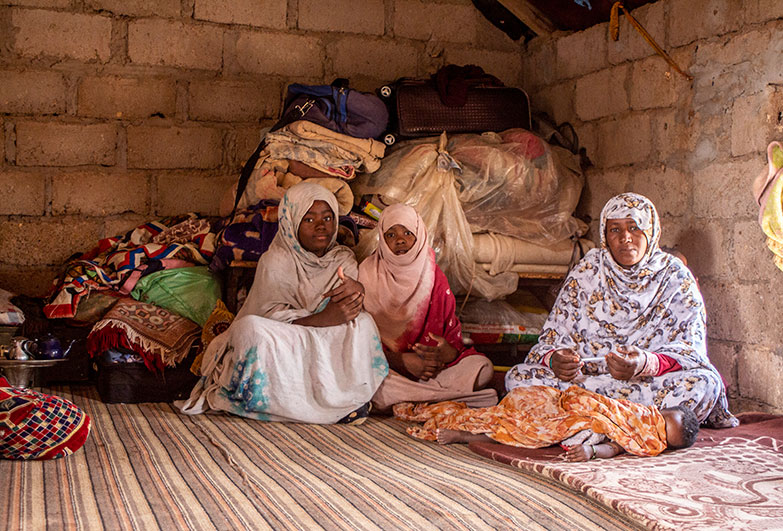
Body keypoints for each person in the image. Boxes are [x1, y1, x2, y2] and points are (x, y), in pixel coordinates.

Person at [505, 193, 738, 428]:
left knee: (704, 384)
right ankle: (637, 426)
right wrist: (554, 359)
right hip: (587, 382)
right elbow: (550, 341)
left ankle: (585, 422)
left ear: (651, 231)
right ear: (605, 236)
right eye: (615, 230)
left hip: (647, 384)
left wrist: (644, 363)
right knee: (519, 378)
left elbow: (691, 352)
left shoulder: (674, 276)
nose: (625, 238)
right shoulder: (588, 271)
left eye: (635, 228)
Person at [178, 182, 388, 424]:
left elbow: (345, 312)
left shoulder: (343, 258)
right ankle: (289, 403)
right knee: (250, 330)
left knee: (363, 324)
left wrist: (355, 295)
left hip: (324, 338)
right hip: (288, 341)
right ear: (291, 223)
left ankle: (342, 400)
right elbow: (268, 315)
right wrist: (321, 319)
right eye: (309, 219)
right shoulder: (276, 260)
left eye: (328, 218)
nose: (321, 226)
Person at [358, 203, 497, 411]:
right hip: (386, 367)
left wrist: (443, 353)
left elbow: (452, 342)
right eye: (391, 235)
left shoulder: (433, 275)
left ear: (420, 235)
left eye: (407, 232)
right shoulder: (366, 274)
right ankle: (444, 399)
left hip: (431, 372)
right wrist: (402, 360)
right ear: (382, 239)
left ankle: (414, 400)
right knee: (364, 377)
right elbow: (356, 344)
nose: (401, 240)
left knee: (482, 367)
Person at [394, 385, 701, 460]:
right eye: (659, 419)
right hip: (564, 404)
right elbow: (602, 404)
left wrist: (592, 453)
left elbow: (614, 447)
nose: (653, 426)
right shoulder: (635, 410)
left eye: (662, 435)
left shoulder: (640, 437)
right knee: (525, 400)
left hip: (566, 428)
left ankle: (464, 434)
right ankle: (469, 419)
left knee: (528, 433)